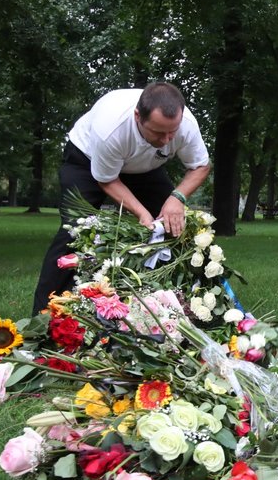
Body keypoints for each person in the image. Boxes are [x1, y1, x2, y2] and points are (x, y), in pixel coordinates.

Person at [32, 82, 210, 314]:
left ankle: (184, 307)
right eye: (158, 132)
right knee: (76, 233)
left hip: (144, 168)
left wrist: (177, 198)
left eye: (172, 132)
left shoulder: (186, 124)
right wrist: (141, 213)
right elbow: (107, 179)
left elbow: (200, 166)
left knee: (174, 227)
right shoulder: (110, 129)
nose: (167, 140)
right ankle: (45, 317)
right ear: (138, 116)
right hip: (86, 163)